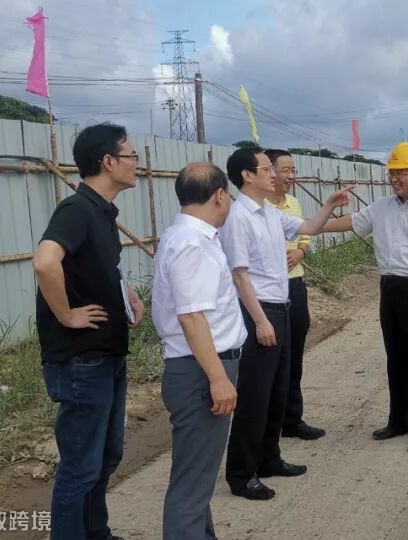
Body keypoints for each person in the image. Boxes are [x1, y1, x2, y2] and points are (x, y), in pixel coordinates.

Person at [32, 123, 145, 540]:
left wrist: (127, 295)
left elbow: (100, 267)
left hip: (107, 353)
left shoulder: (103, 212)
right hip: (82, 360)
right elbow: (45, 262)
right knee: (80, 466)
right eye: (132, 156)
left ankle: (97, 532)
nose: (137, 164)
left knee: (107, 455)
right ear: (108, 162)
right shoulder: (76, 209)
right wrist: (67, 315)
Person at [219, 146, 351, 501]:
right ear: (247, 175)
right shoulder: (238, 217)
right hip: (258, 311)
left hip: (280, 307)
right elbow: (239, 275)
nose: (274, 174)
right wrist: (261, 321)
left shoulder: (269, 212)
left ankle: (268, 458)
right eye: (266, 168)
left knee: (277, 390)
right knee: (255, 394)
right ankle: (241, 473)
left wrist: (329, 204)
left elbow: (307, 227)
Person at [321, 142, 408, 453]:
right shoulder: (381, 208)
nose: (395, 178)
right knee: (397, 358)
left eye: (402, 173)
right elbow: (352, 222)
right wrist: (313, 226)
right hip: (390, 290)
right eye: (392, 173)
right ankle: (399, 421)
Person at [152, 163, 246, 539]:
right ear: (219, 195)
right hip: (200, 372)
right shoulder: (193, 243)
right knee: (191, 489)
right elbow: (192, 317)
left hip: (199, 368)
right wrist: (218, 378)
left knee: (198, 478)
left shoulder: (187, 237)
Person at [264, 149, 326, 441]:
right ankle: (269, 421)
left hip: (295, 285)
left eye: (293, 170)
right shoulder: (258, 208)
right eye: (285, 170)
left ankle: (292, 419)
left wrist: (301, 251)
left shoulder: (294, 204)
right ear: (269, 172)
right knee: (272, 358)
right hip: (268, 292)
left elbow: (305, 236)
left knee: (295, 354)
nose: (291, 176)